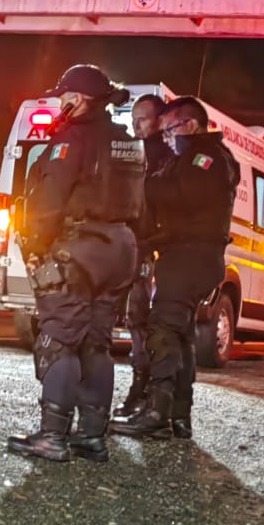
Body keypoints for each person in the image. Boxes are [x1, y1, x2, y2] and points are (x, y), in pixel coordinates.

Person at [6, 64, 144, 463]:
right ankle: (92, 437)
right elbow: (142, 206)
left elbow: (49, 203)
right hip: (121, 248)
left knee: (59, 338)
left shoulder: (70, 141)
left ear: (79, 99)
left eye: (64, 95)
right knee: (96, 344)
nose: (60, 102)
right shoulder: (127, 142)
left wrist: (34, 246)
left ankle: (52, 437)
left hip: (79, 248)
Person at [112, 96, 239, 440]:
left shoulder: (205, 158)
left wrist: (141, 185)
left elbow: (181, 194)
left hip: (190, 257)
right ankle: (179, 417)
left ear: (190, 125)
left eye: (168, 130)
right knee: (181, 337)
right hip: (185, 255)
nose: (165, 138)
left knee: (163, 330)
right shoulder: (193, 158)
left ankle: (155, 414)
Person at [114, 92, 172, 421]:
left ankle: (143, 394)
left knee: (142, 324)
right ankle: (143, 394)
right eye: (133, 119)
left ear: (158, 121)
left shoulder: (161, 158)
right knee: (136, 323)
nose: (135, 126)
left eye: (142, 120)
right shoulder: (137, 153)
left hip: (150, 250)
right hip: (134, 247)